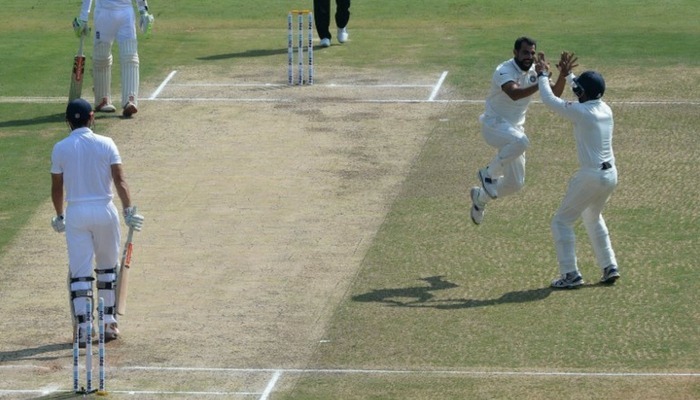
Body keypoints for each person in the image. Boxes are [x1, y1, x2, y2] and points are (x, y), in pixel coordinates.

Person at [51, 99, 144, 345]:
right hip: (105, 210)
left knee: (80, 273)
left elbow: (57, 186)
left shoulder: (60, 148)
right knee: (107, 268)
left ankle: (83, 328)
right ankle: (109, 324)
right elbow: (120, 180)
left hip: (77, 213)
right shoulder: (107, 143)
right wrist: (128, 211)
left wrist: (60, 215)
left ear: (68, 121)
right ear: (92, 117)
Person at [534, 52, 620, 289]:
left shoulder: (581, 112)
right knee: (593, 215)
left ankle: (570, 274)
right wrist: (569, 75)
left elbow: (550, 100)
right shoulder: (605, 109)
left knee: (561, 222)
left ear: (583, 93)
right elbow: (583, 93)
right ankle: (609, 266)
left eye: (578, 89)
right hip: (610, 176)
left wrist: (542, 75)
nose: (576, 91)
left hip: (590, 176)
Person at [469, 37, 570, 225]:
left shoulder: (535, 70)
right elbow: (514, 94)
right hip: (493, 125)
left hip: (513, 131)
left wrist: (562, 74)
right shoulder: (503, 70)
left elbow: (555, 94)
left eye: (532, 53)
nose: (529, 57)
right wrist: (541, 80)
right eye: (525, 52)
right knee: (522, 141)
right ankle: (488, 173)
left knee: (515, 184)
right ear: (515, 53)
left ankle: (479, 198)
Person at [72, 0, 154, 117]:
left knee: (130, 56)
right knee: (101, 57)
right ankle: (102, 99)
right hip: (104, 13)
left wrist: (143, 11)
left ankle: (130, 100)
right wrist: (83, 17)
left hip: (126, 13)